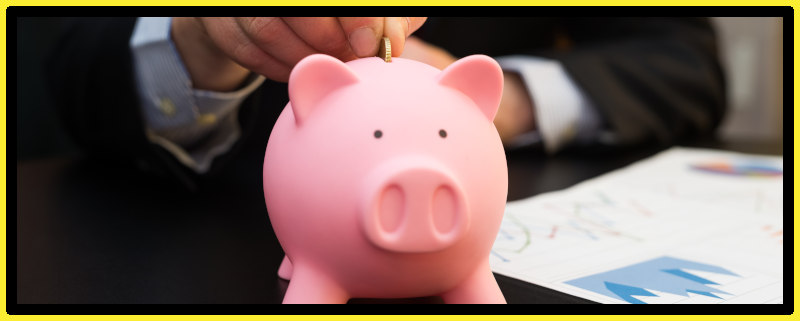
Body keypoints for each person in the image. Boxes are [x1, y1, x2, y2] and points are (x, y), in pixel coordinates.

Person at [48, 17, 726, 191]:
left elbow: (681, 59)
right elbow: (61, 50)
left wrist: (500, 103)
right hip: (197, 214)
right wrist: (194, 45)